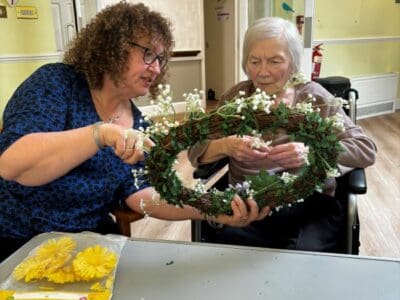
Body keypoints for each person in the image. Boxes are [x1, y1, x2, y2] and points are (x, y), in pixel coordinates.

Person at [0, 2, 269, 262]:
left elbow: (142, 195)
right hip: (18, 239)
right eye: (148, 53)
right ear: (111, 47)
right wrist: (100, 133)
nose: (156, 67)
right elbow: (13, 166)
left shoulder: (140, 126)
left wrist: (214, 209)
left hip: (89, 241)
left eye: (161, 58)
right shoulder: (56, 84)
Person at [188, 17, 377, 252]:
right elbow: (195, 149)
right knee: (221, 249)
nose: (262, 72)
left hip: (308, 205)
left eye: (274, 61)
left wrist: (312, 152)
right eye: (254, 61)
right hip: (247, 203)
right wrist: (225, 145)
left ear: (293, 63)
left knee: (301, 257)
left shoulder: (315, 99)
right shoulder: (236, 98)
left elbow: (365, 148)